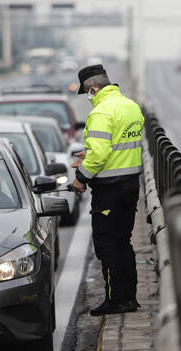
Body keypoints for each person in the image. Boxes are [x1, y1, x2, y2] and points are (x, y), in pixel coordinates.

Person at [71, 64, 144, 316]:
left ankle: (114, 299)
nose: (88, 99)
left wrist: (81, 176)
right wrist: (89, 153)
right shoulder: (130, 106)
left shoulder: (101, 112)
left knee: (107, 245)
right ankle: (129, 298)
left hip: (110, 191)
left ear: (93, 88)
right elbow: (119, 145)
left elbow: (101, 153)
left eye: (87, 93)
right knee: (124, 242)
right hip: (131, 186)